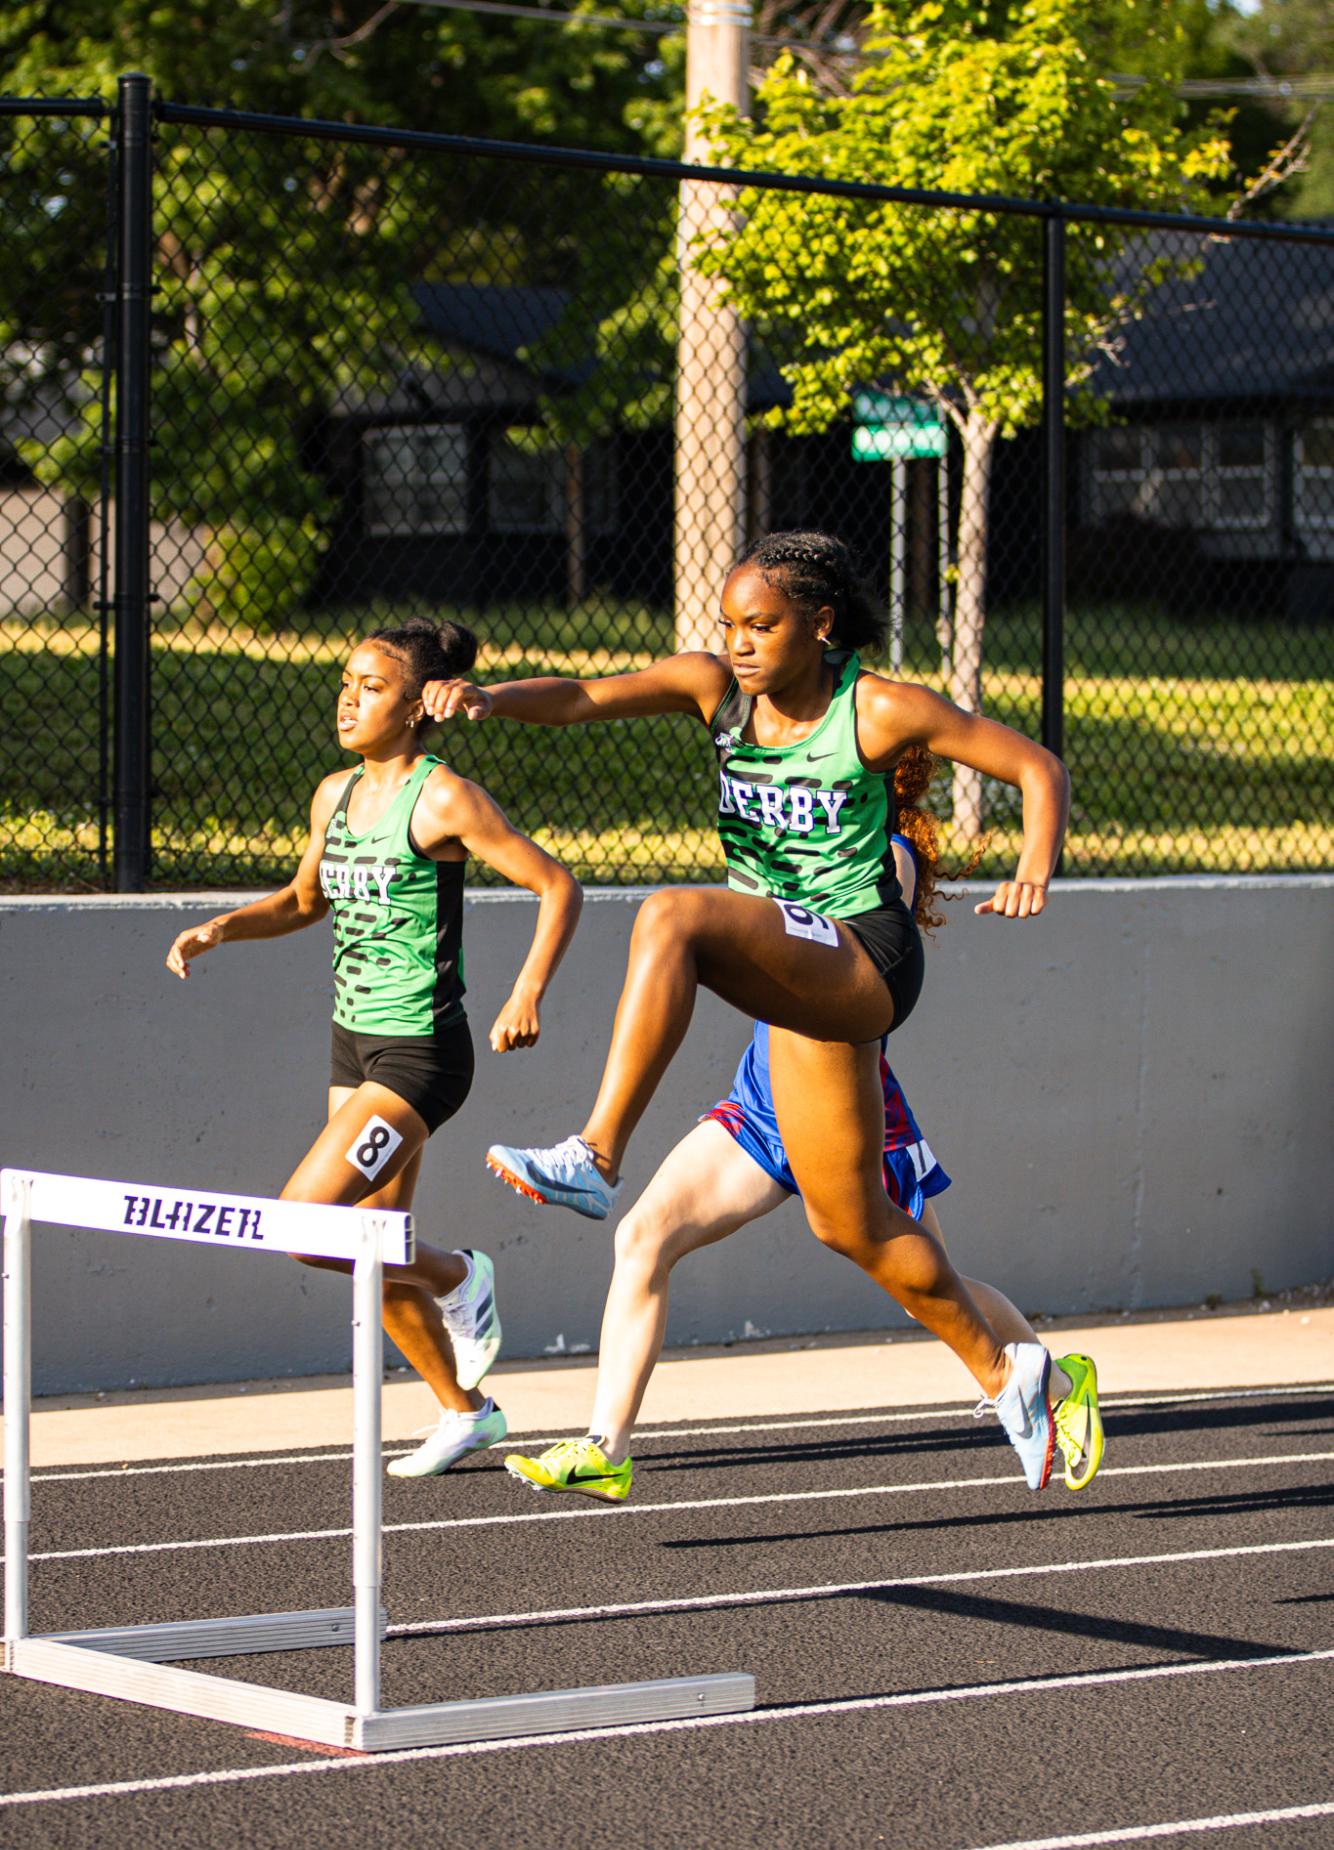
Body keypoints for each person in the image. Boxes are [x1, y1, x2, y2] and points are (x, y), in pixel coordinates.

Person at [423, 530, 1077, 1490]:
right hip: (793, 964)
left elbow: (1035, 766)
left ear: (818, 623)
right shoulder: (714, 691)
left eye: (761, 625)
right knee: (849, 1222)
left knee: (674, 914)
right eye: (727, 624)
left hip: (863, 959)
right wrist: (491, 697)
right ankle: (1014, 1372)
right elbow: (583, 698)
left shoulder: (876, 705)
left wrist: (1034, 864)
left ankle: (596, 1153)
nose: (738, 642)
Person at [504, 758, 1103, 1501]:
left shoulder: (889, 855)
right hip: (762, 1103)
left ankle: (1051, 1380)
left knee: (932, 1286)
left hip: (852, 1112)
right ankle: (606, 1446)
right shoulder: (791, 841)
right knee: (643, 1236)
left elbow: (852, 941)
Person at [165, 617, 582, 1477]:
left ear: (419, 706)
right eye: (345, 681)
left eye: (372, 686)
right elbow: (302, 899)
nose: (349, 698)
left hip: (422, 1052)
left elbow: (556, 884)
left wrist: (527, 988)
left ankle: (461, 1274)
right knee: (368, 1243)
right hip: (352, 1042)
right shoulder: (334, 794)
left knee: (307, 1225)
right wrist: (221, 928)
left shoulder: (444, 798)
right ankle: (464, 1412)